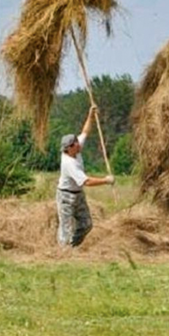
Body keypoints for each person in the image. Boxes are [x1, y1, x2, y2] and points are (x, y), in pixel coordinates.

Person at [57, 105, 115, 247]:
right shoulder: (69, 163)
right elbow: (86, 182)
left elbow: (85, 131)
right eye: (75, 144)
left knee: (86, 224)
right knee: (66, 230)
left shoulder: (76, 149)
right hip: (66, 196)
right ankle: (63, 252)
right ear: (69, 148)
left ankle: (73, 246)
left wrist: (90, 115)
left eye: (77, 142)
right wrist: (106, 180)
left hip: (78, 195)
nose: (79, 145)